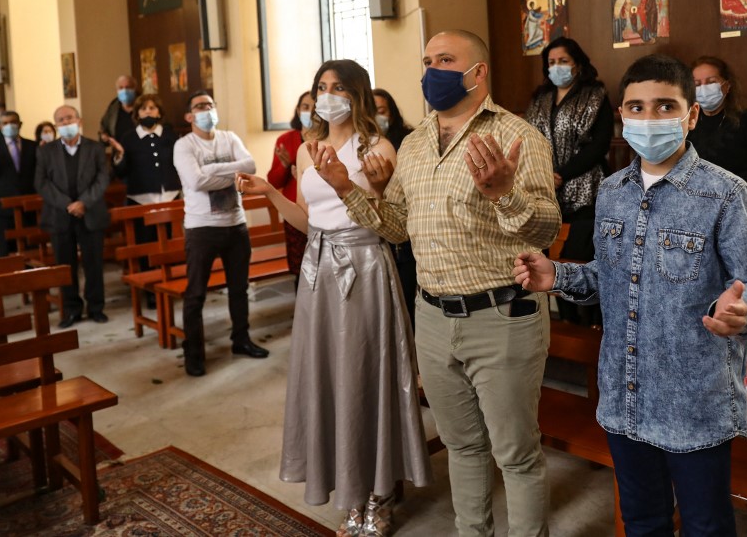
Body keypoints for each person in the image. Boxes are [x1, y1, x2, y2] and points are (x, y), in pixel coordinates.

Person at [513, 53, 747, 536]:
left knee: (706, 525)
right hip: (624, 396)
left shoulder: (726, 194)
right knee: (643, 521)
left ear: (691, 115)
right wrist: (558, 276)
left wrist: (744, 311)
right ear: (621, 116)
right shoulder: (612, 191)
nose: (648, 119)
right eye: (635, 108)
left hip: (693, 400)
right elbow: (609, 279)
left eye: (664, 107)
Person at [317, 30, 560, 536]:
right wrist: (346, 190)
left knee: (514, 453)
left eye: (446, 60)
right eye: (427, 61)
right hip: (431, 316)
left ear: (478, 73)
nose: (433, 71)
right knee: (462, 446)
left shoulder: (518, 137)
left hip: (501, 315)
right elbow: (398, 227)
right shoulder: (416, 142)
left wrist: (504, 194)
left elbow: (545, 230)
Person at [236, 60, 432, 537]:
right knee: (329, 376)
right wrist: (268, 193)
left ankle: (378, 493)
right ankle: (348, 488)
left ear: (357, 94)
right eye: (321, 88)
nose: (327, 96)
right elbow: (308, 221)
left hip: (364, 266)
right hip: (318, 270)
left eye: (337, 88)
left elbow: (392, 221)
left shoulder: (378, 147)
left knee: (366, 374)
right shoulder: (307, 151)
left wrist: (380, 189)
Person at [173, 90, 268, 377]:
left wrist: (211, 170)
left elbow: (250, 166)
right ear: (189, 116)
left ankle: (241, 340)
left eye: (210, 104)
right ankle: (194, 354)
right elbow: (195, 180)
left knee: (239, 288)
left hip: (236, 225)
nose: (206, 110)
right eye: (199, 106)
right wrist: (229, 173)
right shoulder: (184, 146)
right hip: (201, 229)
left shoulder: (230, 138)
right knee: (196, 294)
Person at [524, 37, 613, 327]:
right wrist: (543, 175)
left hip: (586, 189)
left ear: (577, 63)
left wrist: (563, 173)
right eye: (551, 62)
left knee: (579, 258)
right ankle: (566, 325)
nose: (557, 67)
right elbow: (529, 141)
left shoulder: (595, 95)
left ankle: (592, 326)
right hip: (547, 192)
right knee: (552, 262)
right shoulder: (540, 99)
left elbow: (598, 145)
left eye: (563, 61)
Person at [688, 56, 747, 236]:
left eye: (711, 82)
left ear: (727, 85)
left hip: (745, 205)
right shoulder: (688, 124)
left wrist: (729, 185)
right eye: (697, 84)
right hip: (700, 208)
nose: (703, 89)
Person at [35, 105, 109, 328]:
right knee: (65, 265)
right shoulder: (46, 151)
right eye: (61, 120)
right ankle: (71, 309)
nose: (65, 123)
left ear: (80, 120)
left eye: (69, 118)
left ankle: (96, 307)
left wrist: (83, 202)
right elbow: (41, 183)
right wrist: (68, 204)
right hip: (60, 215)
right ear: (56, 125)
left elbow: (102, 179)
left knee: (93, 263)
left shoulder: (95, 148)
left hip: (90, 212)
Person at [109, 94, 182, 307]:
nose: (148, 112)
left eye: (152, 108)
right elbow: (120, 173)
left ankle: (170, 284)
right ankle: (151, 290)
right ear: (137, 114)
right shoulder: (129, 138)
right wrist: (119, 156)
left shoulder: (170, 136)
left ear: (159, 112)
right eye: (143, 109)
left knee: (168, 245)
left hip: (169, 197)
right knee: (147, 246)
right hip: (140, 200)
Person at [372, 88, 418, 326]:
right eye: (371, 112)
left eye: (381, 111)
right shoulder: (362, 145)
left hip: (406, 241)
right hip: (375, 238)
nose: (377, 118)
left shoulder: (408, 140)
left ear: (392, 113)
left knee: (408, 306)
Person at [266, 91, 313, 278]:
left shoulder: (328, 137)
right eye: (305, 107)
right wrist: (286, 166)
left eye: (315, 108)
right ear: (298, 110)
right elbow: (273, 181)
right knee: (300, 267)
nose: (310, 112)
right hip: (295, 211)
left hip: (321, 211)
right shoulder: (285, 140)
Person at [0, 110, 38, 255]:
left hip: (29, 206)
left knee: (32, 252)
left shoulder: (32, 146)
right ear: (0, 127)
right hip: (3, 208)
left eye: (13, 122)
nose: (9, 126)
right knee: (6, 253)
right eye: (5, 123)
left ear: (19, 124)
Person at [99, 75, 140, 146]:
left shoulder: (144, 106)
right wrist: (104, 137)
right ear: (117, 90)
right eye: (121, 88)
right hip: (119, 153)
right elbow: (104, 129)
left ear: (135, 89)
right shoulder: (113, 107)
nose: (124, 91)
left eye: (128, 87)